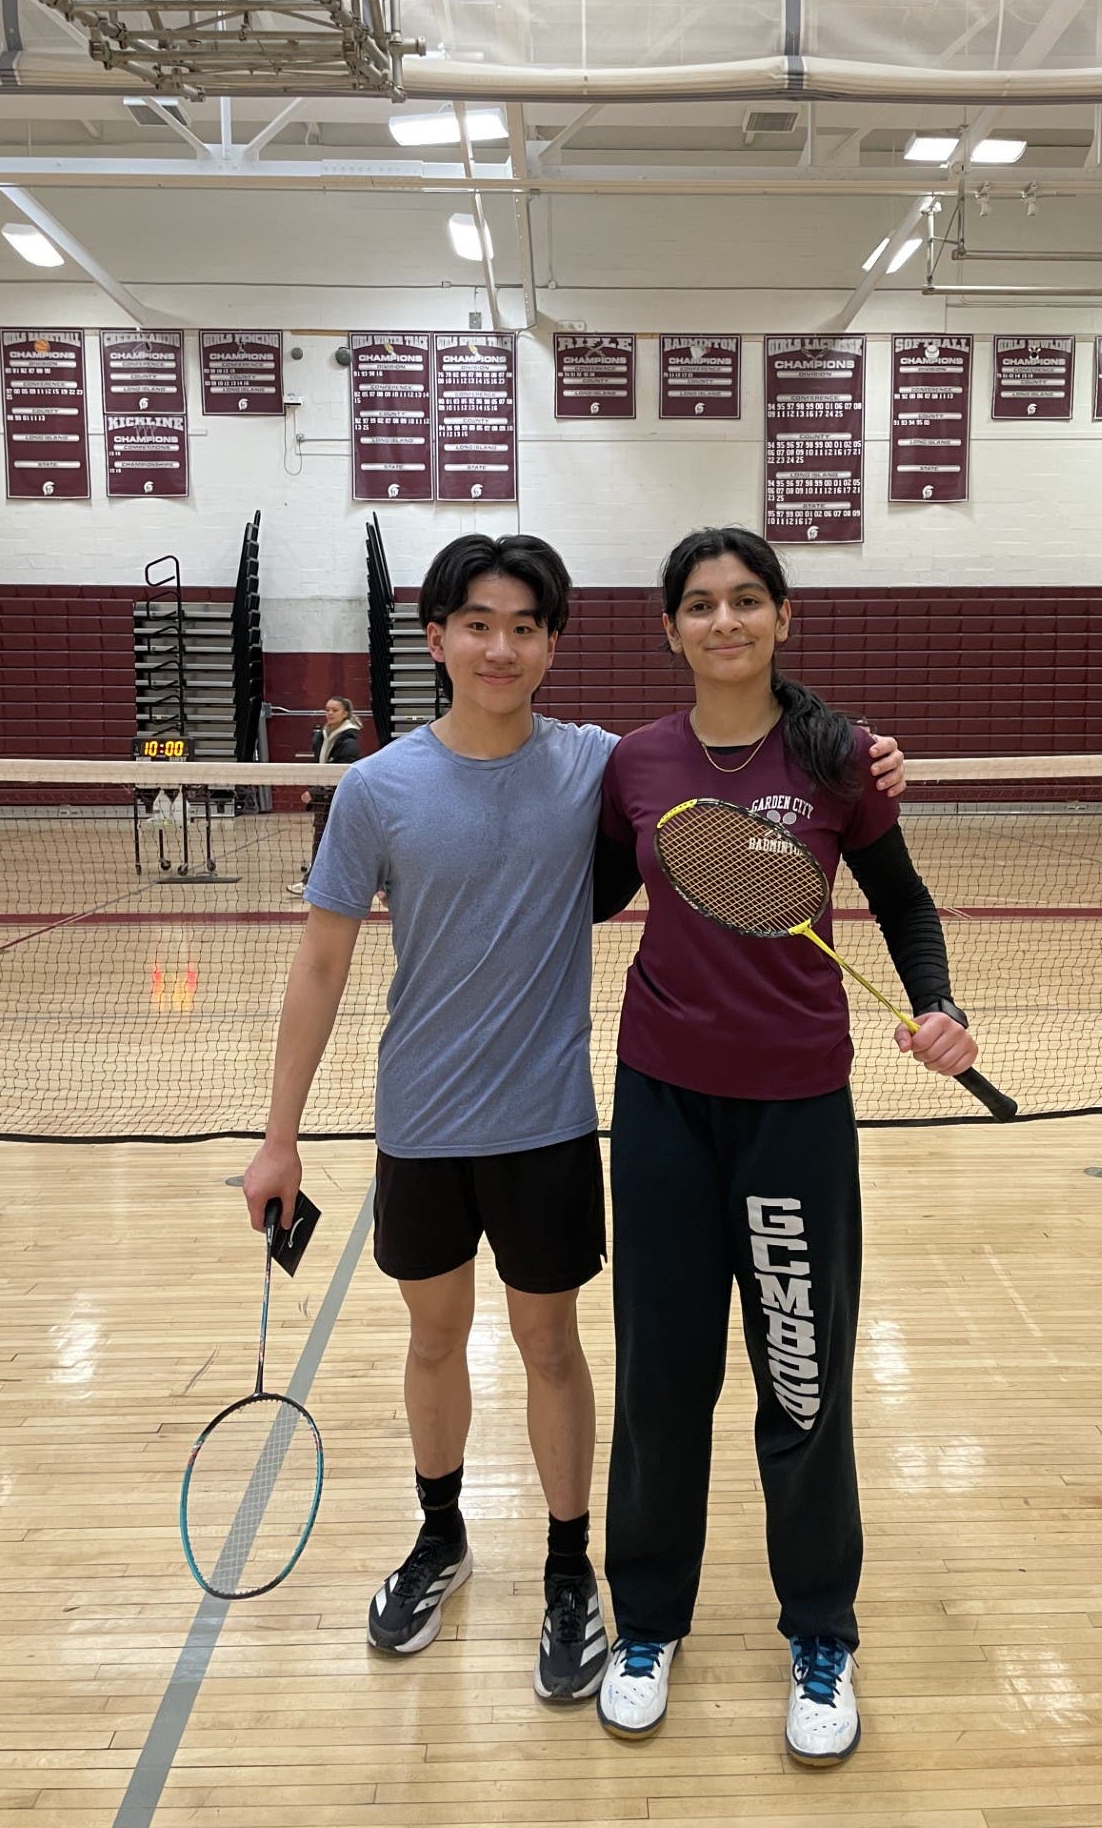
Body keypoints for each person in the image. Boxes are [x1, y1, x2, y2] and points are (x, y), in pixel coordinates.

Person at [242, 532, 906, 1705]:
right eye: (477, 625)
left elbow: (735, 741)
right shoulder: (380, 788)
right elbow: (320, 966)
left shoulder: (600, 763)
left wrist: (858, 751)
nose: (500, 648)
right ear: (436, 637)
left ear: (553, 643)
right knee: (438, 1340)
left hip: (552, 1119)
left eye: (525, 627)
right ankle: (443, 1536)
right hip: (421, 1123)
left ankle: (572, 1569)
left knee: (555, 1348)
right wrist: (279, 1136)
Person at [594, 526, 979, 1766]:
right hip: (661, 1105)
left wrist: (939, 1003)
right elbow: (588, 894)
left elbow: (902, 900)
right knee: (661, 1381)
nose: (725, 621)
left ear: (782, 617)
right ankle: (647, 1625)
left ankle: (820, 1633)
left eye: (747, 600)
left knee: (801, 1382)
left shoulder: (837, 758)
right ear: (670, 628)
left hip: (796, 1113)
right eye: (702, 604)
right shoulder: (636, 763)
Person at [285, 697, 362, 897]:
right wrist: (314, 788)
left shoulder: (349, 742)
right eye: (327, 709)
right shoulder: (321, 737)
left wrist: (314, 792)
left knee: (334, 843)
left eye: (335, 710)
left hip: (340, 799)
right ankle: (316, 883)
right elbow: (317, 767)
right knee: (323, 842)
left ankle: (312, 883)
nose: (329, 713)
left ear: (345, 713)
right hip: (324, 801)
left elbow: (341, 775)